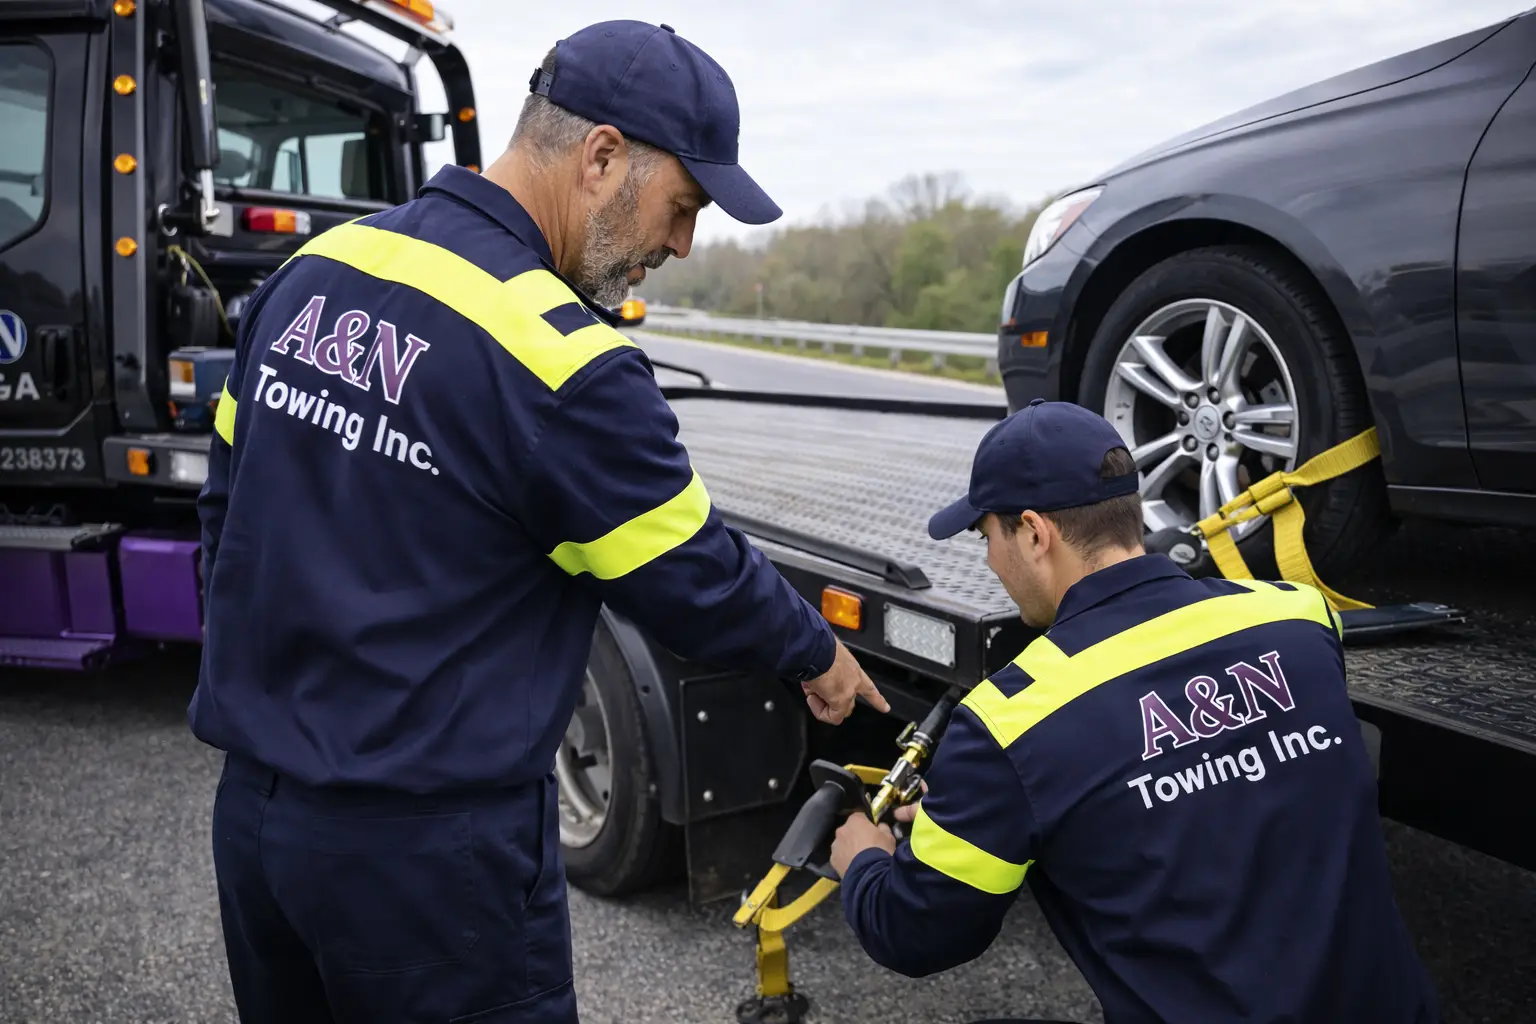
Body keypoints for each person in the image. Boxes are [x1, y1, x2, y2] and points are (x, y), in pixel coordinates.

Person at [190, 20, 888, 1024]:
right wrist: (816, 655)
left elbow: (225, 498)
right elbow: (691, 569)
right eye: (682, 206)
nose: (681, 245)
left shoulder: (313, 272)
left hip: (256, 827)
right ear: (602, 156)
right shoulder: (559, 358)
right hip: (428, 865)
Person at [828, 399, 1439, 1024]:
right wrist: (978, 816)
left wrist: (866, 860)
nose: (989, 561)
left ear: (1035, 534)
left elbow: (916, 933)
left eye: (987, 536)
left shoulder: (1012, 721)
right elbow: (1222, 791)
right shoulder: (1298, 617)